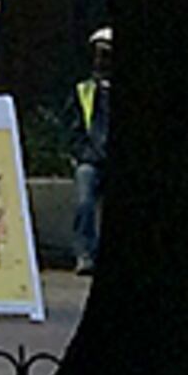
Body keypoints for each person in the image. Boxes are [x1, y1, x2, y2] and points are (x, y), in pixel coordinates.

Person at [71, 28, 111, 276]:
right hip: (91, 160)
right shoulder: (84, 90)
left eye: (106, 54)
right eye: (98, 54)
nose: (100, 60)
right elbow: (74, 126)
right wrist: (81, 153)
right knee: (84, 203)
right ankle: (85, 254)